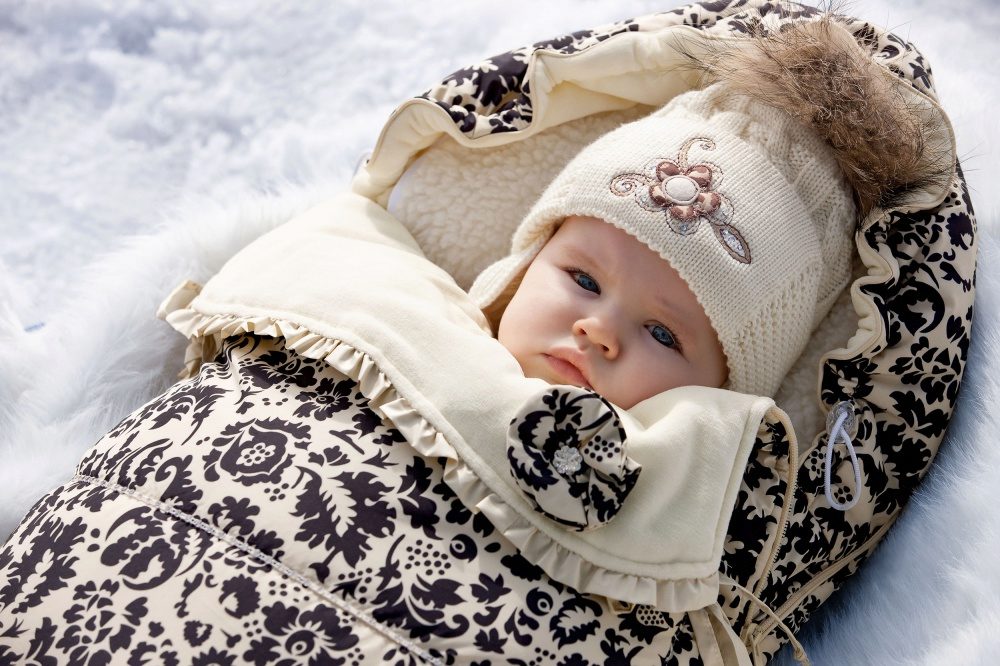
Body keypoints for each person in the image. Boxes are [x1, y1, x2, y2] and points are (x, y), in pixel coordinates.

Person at [470, 19, 942, 408]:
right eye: (584, 280)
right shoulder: (435, 326)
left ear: (725, 393)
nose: (599, 331)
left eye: (662, 335)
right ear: (530, 259)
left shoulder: (692, 484)